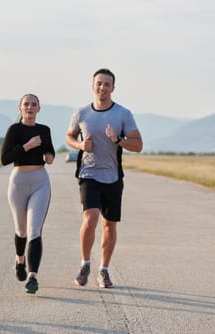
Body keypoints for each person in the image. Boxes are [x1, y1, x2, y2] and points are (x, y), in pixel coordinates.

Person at [66, 68, 143, 288]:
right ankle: (85, 264)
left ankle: (104, 270)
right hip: (88, 173)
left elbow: (138, 145)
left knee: (109, 225)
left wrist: (117, 139)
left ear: (113, 88)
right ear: (93, 85)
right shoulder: (81, 113)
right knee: (90, 218)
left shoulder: (123, 114)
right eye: (99, 83)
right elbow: (69, 136)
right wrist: (80, 145)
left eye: (107, 84)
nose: (102, 88)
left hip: (112, 177)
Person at [0, 94, 55, 294]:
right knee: (21, 230)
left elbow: (50, 151)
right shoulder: (14, 130)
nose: (30, 107)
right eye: (26, 104)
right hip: (18, 182)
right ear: (20, 108)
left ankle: (33, 277)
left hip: (40, 181)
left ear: (39, 108)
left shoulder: (44, 130)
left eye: (34, 104)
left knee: (34, 230)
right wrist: (27, 146)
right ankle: (19, 259)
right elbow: (4, 158)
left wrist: (50, 156)